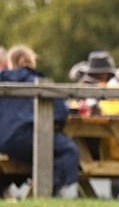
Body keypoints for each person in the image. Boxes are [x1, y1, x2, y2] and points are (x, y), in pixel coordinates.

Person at [0, 45, 79, 196]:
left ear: (10, 63)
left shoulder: (3, 82)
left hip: (2, 140)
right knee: (68, 149)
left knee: (33, 156)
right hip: (24, 137)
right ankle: (63, 190)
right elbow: (61, 112)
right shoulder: (38, 81)